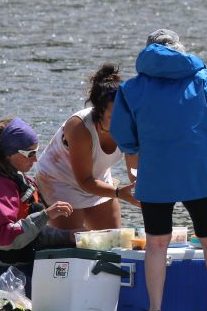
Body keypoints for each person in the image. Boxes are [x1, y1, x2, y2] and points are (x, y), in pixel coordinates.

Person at [110, 29, 207, 311]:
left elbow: (121, 132)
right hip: (200, 170)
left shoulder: (132, 88)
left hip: (155, 171)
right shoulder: (204, 77)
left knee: (156, 243)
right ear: (179, 49)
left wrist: (136, 148)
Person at [0, 117, 75, 295]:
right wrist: (45, 215)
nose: (35, 160)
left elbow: (31, 234)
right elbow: (4, 238)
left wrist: (70, 237)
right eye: (30, 154)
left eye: (36, 152)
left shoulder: (19, 180)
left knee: (77, 248)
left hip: (19, 267)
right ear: (9, 153)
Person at [34, 64, 140, 231]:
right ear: (99, 112)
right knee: (73, 243)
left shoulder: (130, 124)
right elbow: (84, 180)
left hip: (98, 179)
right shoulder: (80, 128)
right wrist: (119, 193)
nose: (122, 121)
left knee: (112, 241)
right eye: (114, 117)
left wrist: (141, 191)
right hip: (59, 182)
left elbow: (135, 171)